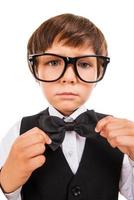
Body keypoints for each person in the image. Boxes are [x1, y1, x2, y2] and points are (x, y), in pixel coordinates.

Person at [0, 13, 134, 200]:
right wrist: (6, 180)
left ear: (100, 71)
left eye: (84, 64)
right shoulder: (18, 132)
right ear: (35, 69)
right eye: (54, 62)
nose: (69, 77)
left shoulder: (120, 137)